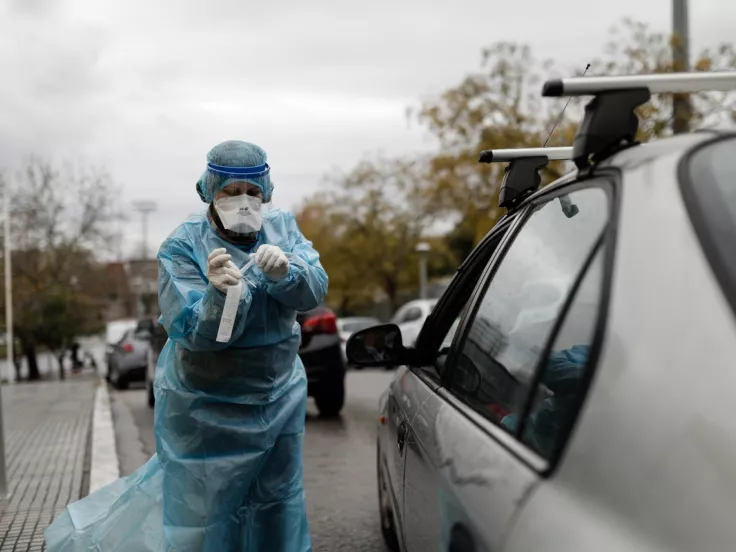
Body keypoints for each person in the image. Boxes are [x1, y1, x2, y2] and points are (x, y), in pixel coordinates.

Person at [45, 140, 328, 552]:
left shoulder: (283, 228)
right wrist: (219, 296)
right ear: (210, 191)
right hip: (205, 407)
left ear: (267, 191)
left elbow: (313, 291)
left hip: (277, 397)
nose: (244, 201)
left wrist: (289, 273)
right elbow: (196, 335)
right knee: (201, 518)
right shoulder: (182, 247)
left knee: (276, 505)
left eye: (253, 191)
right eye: (231, 192)